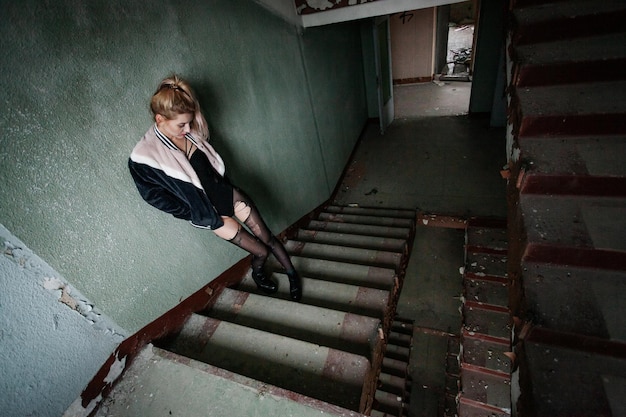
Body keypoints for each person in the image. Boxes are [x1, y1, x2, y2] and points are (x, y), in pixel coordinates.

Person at [128, 74, 302, 301]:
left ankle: (292, 275)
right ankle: (258, 272)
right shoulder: (144, 157)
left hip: (227, 195)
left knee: (267, 237)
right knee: (261, 251)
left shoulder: (191, 133)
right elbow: (154, 197)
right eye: (181, 124)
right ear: (160, 119)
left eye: (189, 122)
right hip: (212, 215)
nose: (188, 128)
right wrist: (194, 214)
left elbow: (210, 169)